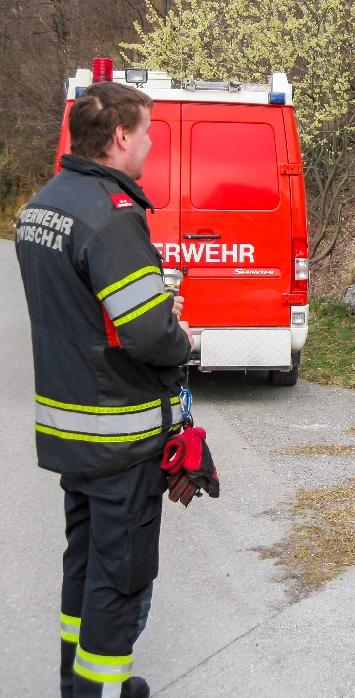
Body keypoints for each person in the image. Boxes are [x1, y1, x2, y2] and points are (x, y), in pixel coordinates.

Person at [16, 81, 195, 698]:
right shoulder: (112, 216)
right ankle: (100, 691)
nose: (149, 145)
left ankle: (77, 685)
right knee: (119, 579)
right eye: (146, 133)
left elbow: (85, 313)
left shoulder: (42, 205)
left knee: (85, 565)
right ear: (120, 137)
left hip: (72, 432)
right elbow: (149, 333)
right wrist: (180, 337)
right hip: (120, 438)